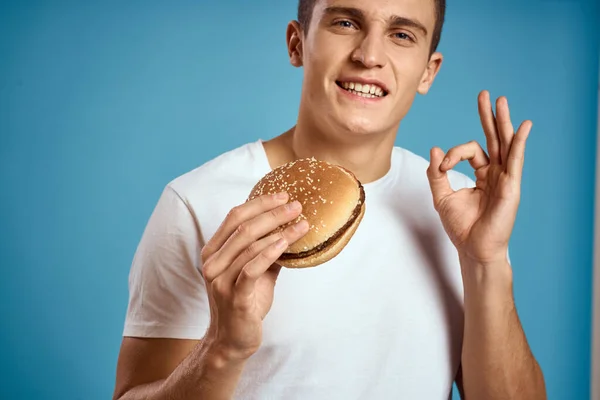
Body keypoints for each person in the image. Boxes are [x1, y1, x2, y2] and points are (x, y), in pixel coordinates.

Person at [112, 0, 547, 399]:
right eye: (345, 22)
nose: (369, 54)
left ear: (428, 72)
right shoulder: (197, 203)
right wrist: (222, 349)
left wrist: (485, 261)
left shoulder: (456, 208)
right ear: (296, 43)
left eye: (401, 34)